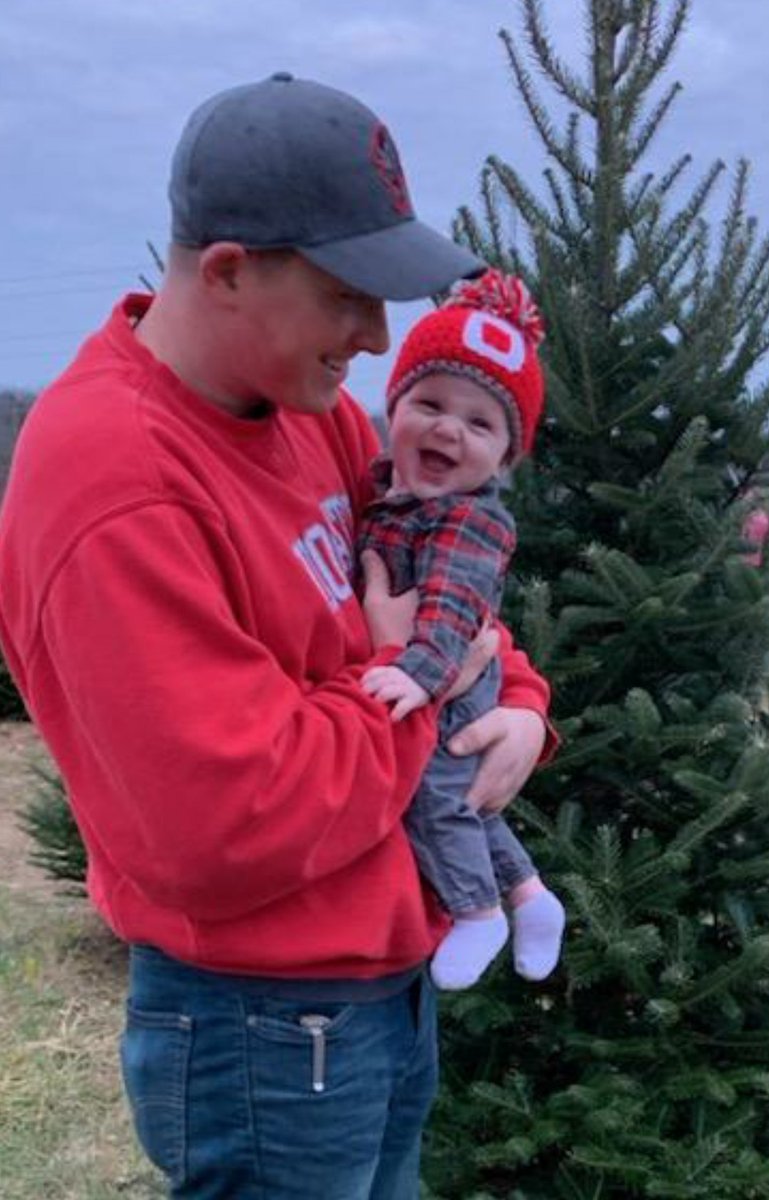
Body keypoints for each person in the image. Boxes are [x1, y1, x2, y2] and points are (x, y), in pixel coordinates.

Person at [0, 74, 556, 1199]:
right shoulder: (119, 481)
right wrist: (405, 687)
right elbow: (223, 820)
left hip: (378, 981)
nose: (375, 335)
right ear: (228, 270)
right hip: (267, 1022)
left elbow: (446, 568)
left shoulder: (317, 416)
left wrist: (519, 705)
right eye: (351, 293)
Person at [359, 270, 565, 990]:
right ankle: (530, 896)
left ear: (505, 458)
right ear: (395, 405)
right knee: (466, 800)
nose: (447, 428)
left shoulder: (467, 519)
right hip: (442, 679)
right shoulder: (397, 493)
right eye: (429, 403)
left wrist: (412, 669)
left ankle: (477, 911)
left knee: (432, 795)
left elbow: (449, 608)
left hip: (445, 681)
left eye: (479, 424)